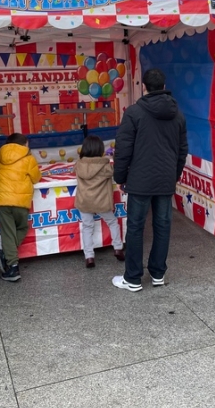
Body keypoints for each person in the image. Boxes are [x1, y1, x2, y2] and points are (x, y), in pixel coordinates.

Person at [112, 68, 188, 291]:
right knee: (163, 226)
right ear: (164, 87)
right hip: (165, 179)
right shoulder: (178, 114)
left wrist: (120, 176)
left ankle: (133, 278)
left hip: (139, 180)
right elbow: (182, 150)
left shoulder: (134, 113)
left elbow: (123, 149)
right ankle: (158, 274)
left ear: (144, 87)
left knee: (135, 227)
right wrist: (173, 176)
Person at [0, 133, 41, 282]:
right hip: (21, 200)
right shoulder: (29, 158)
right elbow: (36, 177)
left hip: (3, 200)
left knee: (8, 233)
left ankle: (7, 257)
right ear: (24, 144)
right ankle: (12, 266)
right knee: (22, 227)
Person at [75, 135, 124, 268]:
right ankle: (118, 248)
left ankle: (89, 257)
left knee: (87, 227)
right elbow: (115, 172)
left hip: (84, 201)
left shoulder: (79, 165)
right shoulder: (105, 165)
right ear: (100, 149)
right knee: (113, 222)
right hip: (102, 202)